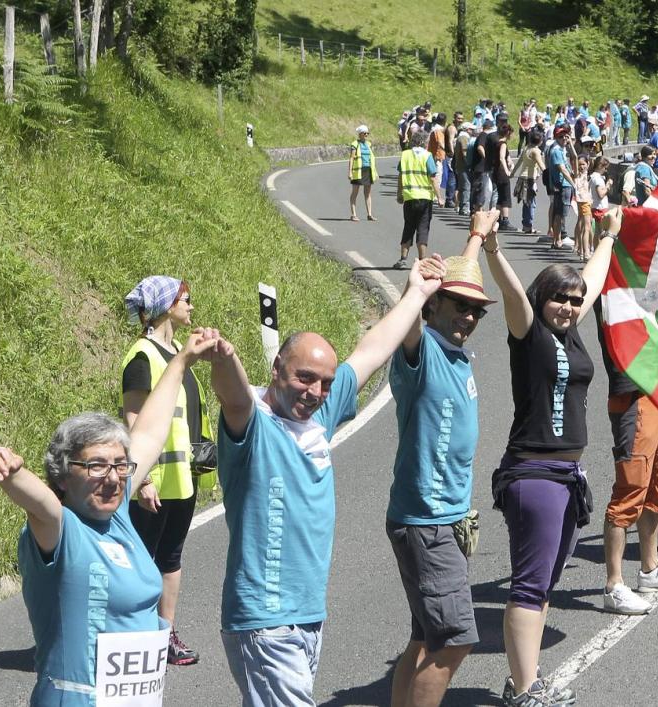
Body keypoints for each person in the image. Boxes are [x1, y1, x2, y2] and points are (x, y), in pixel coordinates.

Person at [210, 258, 447, 707]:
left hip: (305, 615)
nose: (315, 392)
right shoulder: (255, 427)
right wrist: (225, 358)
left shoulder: (321, 413)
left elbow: (371, 351)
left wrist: (416, 293)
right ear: (277, 367)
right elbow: (235, 397)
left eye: (324, 383)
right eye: (304, 378)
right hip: (266, 617)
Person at [0, 330, 219, 705]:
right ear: (64, 475)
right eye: (97, 466)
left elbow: (150, 430)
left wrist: (181, 360)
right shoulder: (60, 530)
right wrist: (12, 471)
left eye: (120, 465)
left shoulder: (118, 518)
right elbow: (41, 504)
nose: (114, 477)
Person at [483, 208, 617, 707]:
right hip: (534, 473)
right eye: (559, 297)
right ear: (544, 299)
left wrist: (608, 237)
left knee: (542, 585)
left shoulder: (570, 329)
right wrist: (493, 248)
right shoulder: (530, 333)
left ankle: (527, 679)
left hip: (565, 475)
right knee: (529, 584)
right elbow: (514, 296)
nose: (568, 305)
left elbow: (594, 282)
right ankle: (523, 690)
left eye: (574, 300)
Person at [387, 218, 498, 707]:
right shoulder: (423, 349)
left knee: (426, 638)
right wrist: (417, 288)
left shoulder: (455, 352)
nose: (469, 317)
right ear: (433, 305)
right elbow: (408, 327)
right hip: (428, 520)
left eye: (476, 311)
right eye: (460, 306)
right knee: (454, 640)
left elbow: (463, 276)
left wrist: (475, 236)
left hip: (444, 520)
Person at [597, 200, 658, 617]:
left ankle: (651, 567)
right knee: (629, 491)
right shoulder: (610, 289)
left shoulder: (640, 296)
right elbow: (600, 265)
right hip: (631, 398)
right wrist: (609, 233)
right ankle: (613, 584)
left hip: (655, 393)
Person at [122, 276, 217, 666]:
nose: (191, 306)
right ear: (164, 306)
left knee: (171, 558)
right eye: (185, 300)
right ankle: (134, 635)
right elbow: (132, 419)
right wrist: (140, 478)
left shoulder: (178, 349)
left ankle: (165, 636)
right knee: (144, 560)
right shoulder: (142, 356)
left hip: (183, 478)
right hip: (156, 481)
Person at [396, 130, 442, 270]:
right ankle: (422, 261)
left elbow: (400, 176)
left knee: (408, 226)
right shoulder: (427, 156)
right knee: (423, 228)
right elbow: (433, 178)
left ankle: (403, 259)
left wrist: (399, 193)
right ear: (424, 142)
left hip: (409, 197)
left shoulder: (405, 155)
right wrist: (439, 197)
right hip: (425, 198)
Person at [511, 130, 546, 234]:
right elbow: (541, 164)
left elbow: (519, 162)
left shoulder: (526, 148)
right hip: (529, 179)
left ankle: (526, 224)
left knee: (526, 203)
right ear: (540, 141)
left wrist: (512, 173)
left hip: (522, 177)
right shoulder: (535, 151)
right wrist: (548, 174)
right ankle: (528, 225)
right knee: (531, 203)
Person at [546, 125, 575, 250]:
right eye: (561, 136)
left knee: (559, 213)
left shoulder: (559, 149)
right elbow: (562, 168)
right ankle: (558, 239)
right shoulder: (556, 151)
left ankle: (556, 239)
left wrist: (570, 144)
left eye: (565, 136)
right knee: (560, 214)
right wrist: (573, 183)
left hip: (561, 185)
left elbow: (574, 157)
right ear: (555, 137)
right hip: (563, 185)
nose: (564, 138)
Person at [348, 125, 377, 221]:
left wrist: (375, 172)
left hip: (368, 171)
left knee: (368, 193)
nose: (366, 135)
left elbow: (371, 159)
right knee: (355, 192)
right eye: (364, 133)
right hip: (358, 171)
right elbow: (351, 158)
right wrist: (350, 172)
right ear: (360, 134)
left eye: (367, 133)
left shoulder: (369, 144)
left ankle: (369, 214)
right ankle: (353, 214)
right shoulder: (355, 144)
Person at [495, 123, 517, 231]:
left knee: (500, 196)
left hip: (497, 172)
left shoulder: (497, 143)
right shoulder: (503, 144)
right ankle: (505, 220)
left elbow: (506, 157)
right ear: (508, 133)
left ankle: (497, 218)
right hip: (502, 173)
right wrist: (507, 170)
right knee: (505, 196)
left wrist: (510, 163)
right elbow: (501, 158)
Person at [573, 156, 593, 261]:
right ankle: (586, 251)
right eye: (579, 164)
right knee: (587, 227)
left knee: (584, 225)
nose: (581, 166)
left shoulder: (589, 175)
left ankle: (581, 249)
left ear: (588, 164)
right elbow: (574, 156)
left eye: (583, 164)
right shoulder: (577, 175)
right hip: (583, 202)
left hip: (586, 202)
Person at [427, 113, 448, 206]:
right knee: (437, 176)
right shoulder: (438, 130)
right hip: (437, 156)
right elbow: (439, 141)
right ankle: (435, 195)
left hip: (434, 154)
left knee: (434, 175)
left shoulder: (434, 128)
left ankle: (434, 194)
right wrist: (447, 149)